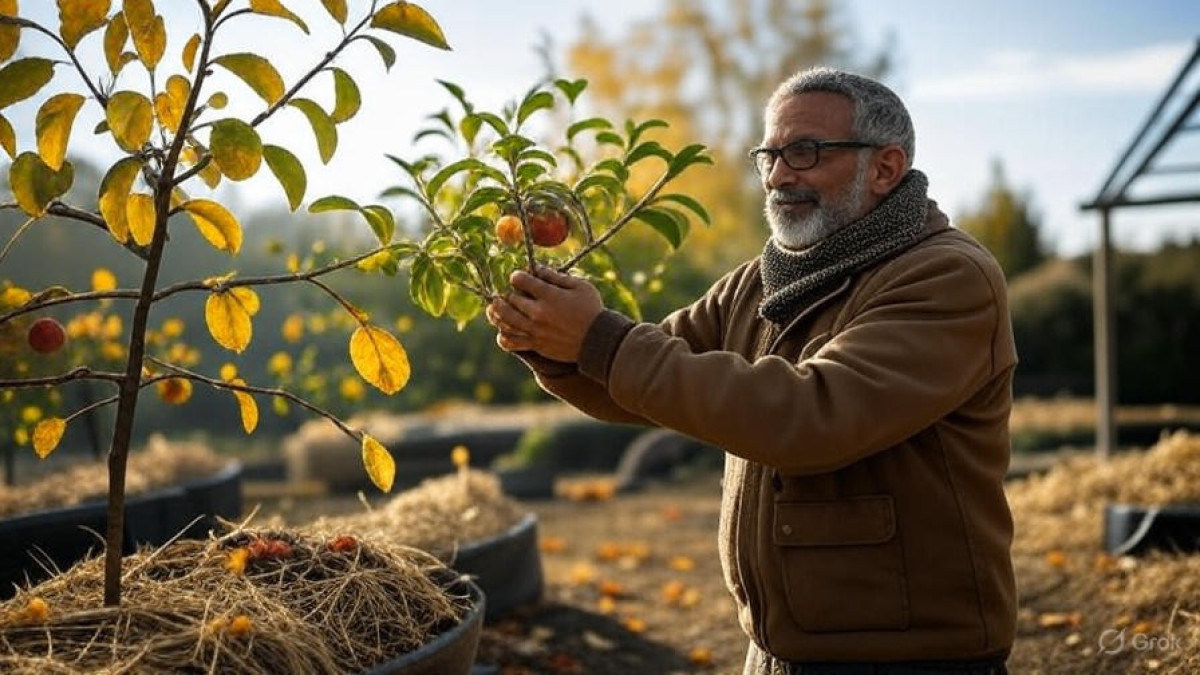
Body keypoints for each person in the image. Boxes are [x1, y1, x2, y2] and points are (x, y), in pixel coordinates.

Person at [486, 67, 1016, 675]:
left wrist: (598, 338)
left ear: (886, 168)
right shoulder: (765, 278)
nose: (780, 175)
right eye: (770, 155)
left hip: (910, 658)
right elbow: (644, 378)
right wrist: (553, 343)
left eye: (805, 152)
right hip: (777, 650)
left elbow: (813, 416)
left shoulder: (947, 276)